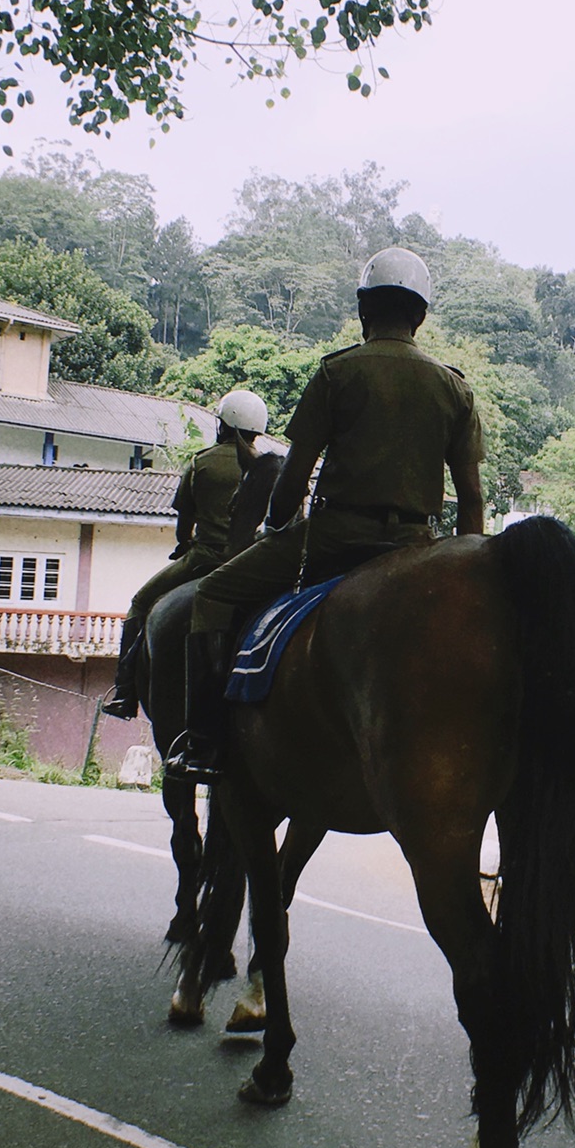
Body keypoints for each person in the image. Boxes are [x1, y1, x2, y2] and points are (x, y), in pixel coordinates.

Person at [163, 246, 486, 780]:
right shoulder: (454, 388)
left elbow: (294, 475)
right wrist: (467, 568)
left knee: (212, 596)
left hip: (335, 538)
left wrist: (275, 525)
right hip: (414, 547)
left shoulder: (337, 374)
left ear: (364, 312)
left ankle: (202, 744)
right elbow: (471, 497)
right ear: (420, 316)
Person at [100, 389, 269, 720]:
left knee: (139, 603)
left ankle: (124, 691)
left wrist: (185, 543)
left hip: (204, 557)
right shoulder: (266, 467)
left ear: (223, 426)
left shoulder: (201, 463)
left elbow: (183, 526)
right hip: (251, 561)